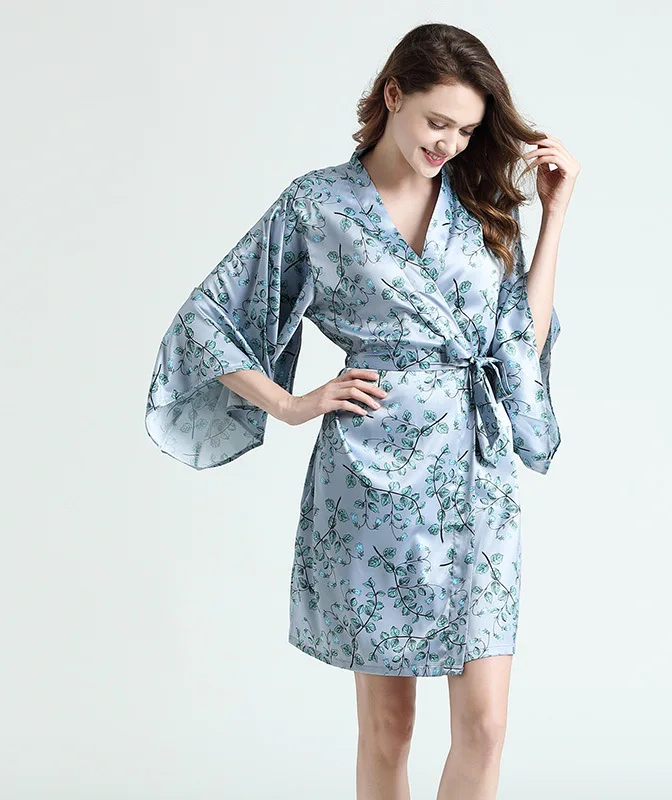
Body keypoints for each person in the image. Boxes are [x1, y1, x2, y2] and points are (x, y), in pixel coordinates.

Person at [144, 21, 579, 800]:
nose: (450, 143)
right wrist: (291, 403)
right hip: (373, 478)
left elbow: (521, 342)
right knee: (389, 729)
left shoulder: (478, 203)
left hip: (475, 478)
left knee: (485, 727)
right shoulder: (318, 206)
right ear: (393, 95)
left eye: (466, 130)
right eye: (438, 122)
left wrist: (554, 217)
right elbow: (208, 318)